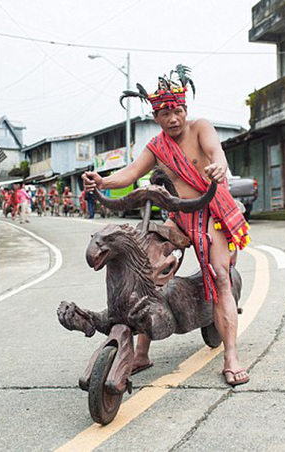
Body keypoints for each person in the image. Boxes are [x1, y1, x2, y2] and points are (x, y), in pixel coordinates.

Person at [82, 65, 251, 386]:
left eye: (177, 110)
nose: (173, 118)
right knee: (145, 269)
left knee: (220, 277)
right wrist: (102, 180)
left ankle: (231, 355)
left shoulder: (201, 127)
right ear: (155, 117)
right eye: (164, 113)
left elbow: (217, 154)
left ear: (186, 109)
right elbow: (130, 174)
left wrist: (218, 169)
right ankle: (141, 352)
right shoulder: (156, 146)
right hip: (178, 216)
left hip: (211, 212)